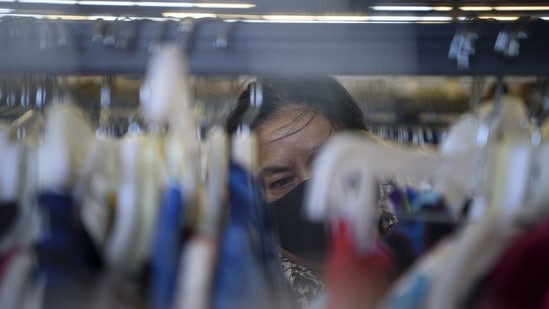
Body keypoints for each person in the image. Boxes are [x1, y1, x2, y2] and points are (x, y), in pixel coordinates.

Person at [226, 76, 397, 308]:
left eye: (329, 163)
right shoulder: (246, 289)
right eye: (282, 181)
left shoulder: (421, 244)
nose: (316, 190)